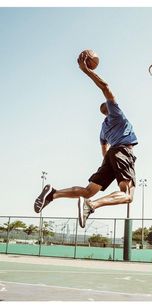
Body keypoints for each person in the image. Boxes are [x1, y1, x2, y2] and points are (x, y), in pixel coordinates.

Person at [34, 52, 138, 228]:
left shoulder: (103, 128)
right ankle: (92, 205)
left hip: (112, 155)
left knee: (89, 190)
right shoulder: (117, 115)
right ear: (109, 109)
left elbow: (104, 149)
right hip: (122, 151)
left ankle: (53, 194)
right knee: (128, 195)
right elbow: (105, 86)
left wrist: (106, 164)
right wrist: (87, 71)